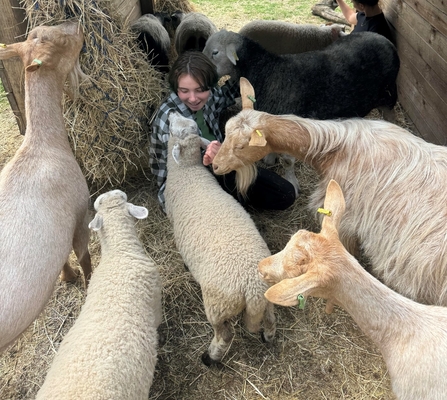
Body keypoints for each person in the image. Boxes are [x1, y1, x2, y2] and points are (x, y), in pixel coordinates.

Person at [149, 51, 296, 213]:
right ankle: (231, 203)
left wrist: (254, 70)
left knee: (285, 193)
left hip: (225, 162)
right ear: (175, 87)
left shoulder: (212, 96)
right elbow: (176, 171)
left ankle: (236, 199)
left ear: (210, 85)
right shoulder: (170, 119)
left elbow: (227, 92)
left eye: (200, 90)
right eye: (184, 90)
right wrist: (212, 158)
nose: (193, 98)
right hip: (190, 180)